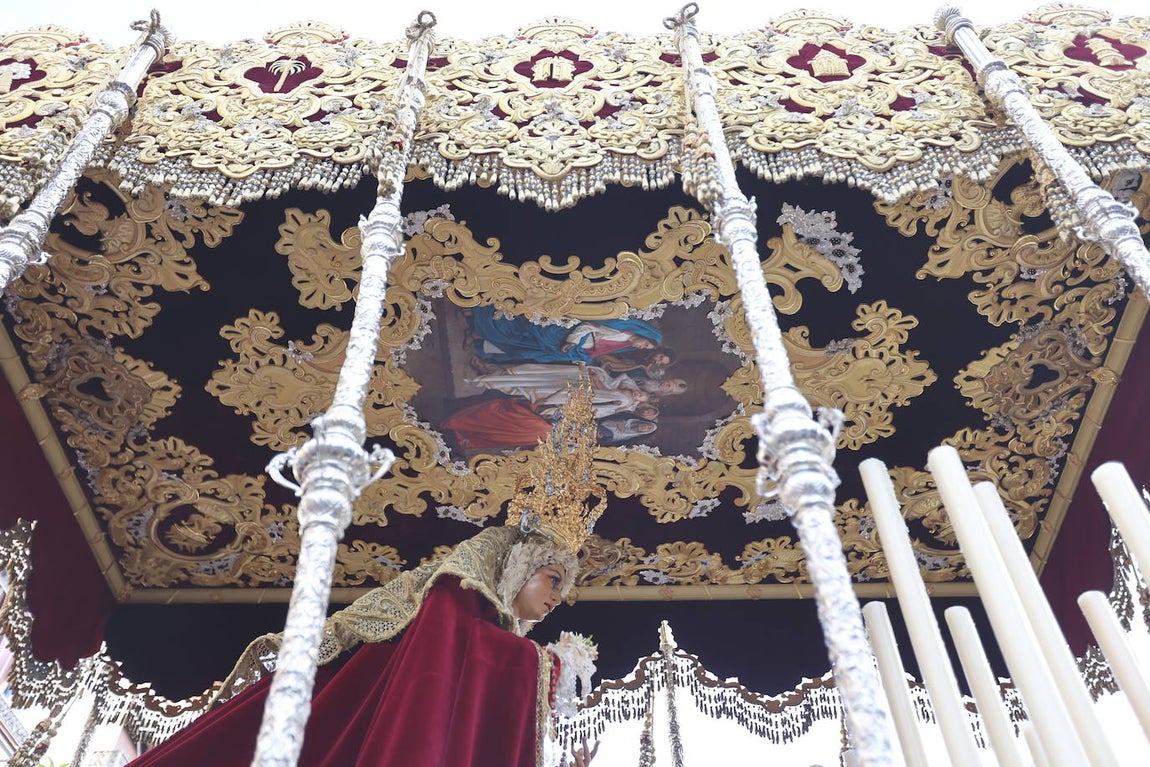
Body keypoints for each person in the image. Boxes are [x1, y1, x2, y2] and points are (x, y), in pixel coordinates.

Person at [129, 386, 605, 767]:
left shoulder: (478, 623)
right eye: (553, 579)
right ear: (516, 567)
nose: (559, 598)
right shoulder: (449, 603)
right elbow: (460, 662)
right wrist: (553, 662)